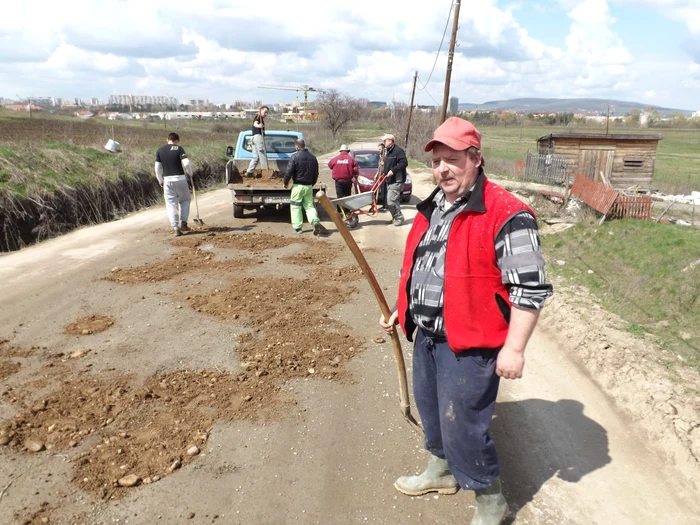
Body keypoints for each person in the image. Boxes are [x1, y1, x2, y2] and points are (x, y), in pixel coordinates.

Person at [379, 117, 553, 525]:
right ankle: (440, 472)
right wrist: (400, 310)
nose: (443, 169)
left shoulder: (508, 213)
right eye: (437, 161)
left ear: (476, 159)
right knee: (432, 411)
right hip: (427, 336)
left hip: (471, 345)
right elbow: (422, 267)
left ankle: (491, 501)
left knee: (464, 429)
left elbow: (529, 290)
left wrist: (514, 348)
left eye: (453, 160)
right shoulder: (434, 206)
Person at [283, 139, 329, 236]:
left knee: (296, 207)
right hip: (308, 186)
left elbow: (289, 172)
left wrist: (286, 182)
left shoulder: (294, 157)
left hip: (297, 186)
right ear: (304, 145)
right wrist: (311, 184)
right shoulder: (313, 158)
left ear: (297, 147)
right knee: (309, 206)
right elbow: (316, 174)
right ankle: (314, 221)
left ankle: (297, 228)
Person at [155, 132, 193, 237]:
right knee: (185, 200)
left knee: (171, 204)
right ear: (176, 140)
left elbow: (157, 168)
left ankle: (176, 229)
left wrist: (160, 181)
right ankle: (184, 223)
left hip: (167, 181)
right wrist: (190, 173)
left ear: (167, 139)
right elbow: (186, 163)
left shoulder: (160, 150)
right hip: (180, 179)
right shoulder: (179, 148)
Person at [381, 134, 407, 225]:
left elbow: (404, 163)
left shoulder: (398, 151)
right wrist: (384, 172)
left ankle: (399, 218)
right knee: (393, 200)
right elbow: (388, 165)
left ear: (391, 141)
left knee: (390, 200)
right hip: (390, 180)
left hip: (397, 180)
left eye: (385, 141)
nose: (384, 142)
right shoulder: (387, 151)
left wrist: (393, 170)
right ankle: (395, 218)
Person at [328, 144, 359, 215]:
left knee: (339, 197)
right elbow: (356, 170)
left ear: (340, 151)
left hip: (338, 181)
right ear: (347, 151)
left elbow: (330, 165)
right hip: (348, 181)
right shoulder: (351, 159)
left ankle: (340, 212)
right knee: (347, 196)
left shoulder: (335, 159)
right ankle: (347, 212)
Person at [245, 105, 269, 177]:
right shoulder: (258, 117)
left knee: (255, 157)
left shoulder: (259, 117)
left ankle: (249, 171)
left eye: (267, 113)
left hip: (253, 138)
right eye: (265, 112)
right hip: (258, 137)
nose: (266, 114)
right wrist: (259, 126)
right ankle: (266, 172)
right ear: (261, 110)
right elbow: (255, 123)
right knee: (262, 154)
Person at [377, 142, 388, 212]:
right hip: (380, 176)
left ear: (383, 149)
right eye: (378, 149)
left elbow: (387, 166)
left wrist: (385, 163)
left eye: (380, 149)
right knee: (382, 191)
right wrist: (376, 174)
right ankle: (384, 205)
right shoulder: (380, 156)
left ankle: (385, 206)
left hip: (384, 177)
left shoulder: (385, 157)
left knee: (384, 192)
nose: (379, 150)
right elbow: (379, 167)